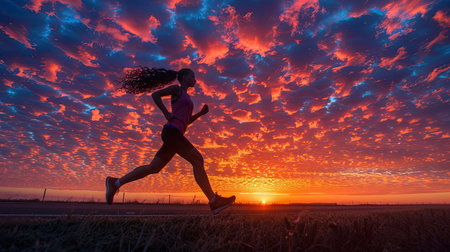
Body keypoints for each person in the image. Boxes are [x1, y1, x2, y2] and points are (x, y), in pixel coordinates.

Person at [105, 67, 235, 215]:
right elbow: (156, 95)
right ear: (184, 77)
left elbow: (185, 121)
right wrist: (166, 113)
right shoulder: (177, 90)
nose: (195, 79)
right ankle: (213, 201)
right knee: (197, 160)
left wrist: (200, 114)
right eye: (192, 76)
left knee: (153, 168)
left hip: (175, 134)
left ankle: (115, 183)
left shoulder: (186, 97)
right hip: (172, 133)